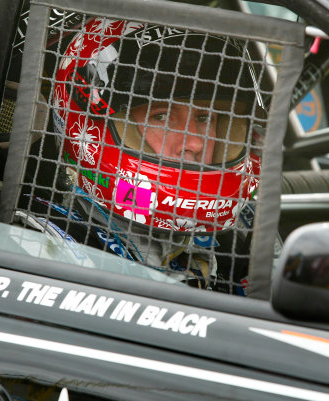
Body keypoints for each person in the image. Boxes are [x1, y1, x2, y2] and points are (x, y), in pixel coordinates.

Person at [26, 18, 265, 293]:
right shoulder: (45, 248)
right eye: (162, 117)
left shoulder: (246, 233)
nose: (196, 143)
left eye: (204, 117)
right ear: (93, 129)